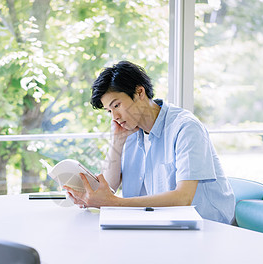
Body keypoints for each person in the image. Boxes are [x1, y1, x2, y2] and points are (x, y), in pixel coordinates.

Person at [64, 61, 235, 224]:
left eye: (116, 105)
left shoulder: (185, 128)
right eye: (109, 111)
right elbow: (109, 189)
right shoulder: (129, 130)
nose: (114, 117)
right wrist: (117, 141)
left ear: (139, 92)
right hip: (158, 224)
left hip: (207, 227)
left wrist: (114, 202)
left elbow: (183, 198)